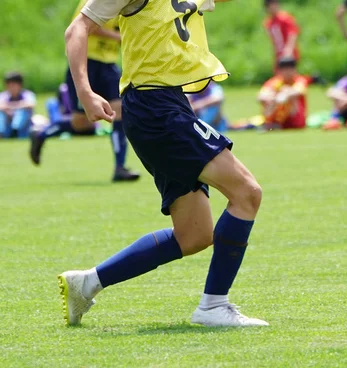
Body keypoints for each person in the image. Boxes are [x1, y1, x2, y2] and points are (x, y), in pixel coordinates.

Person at [58, 0, 268, 327]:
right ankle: (214, 306)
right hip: (153, 107)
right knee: (247, 193)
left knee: (194, 234)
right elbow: (77, 29)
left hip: (168, 105)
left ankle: (87, 283)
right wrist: (85, 93)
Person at [29, 0, 139, 182]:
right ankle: (41, 133)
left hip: (109, 64)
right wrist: (118, 37)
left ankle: (120, 167)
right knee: (83, 123)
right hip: (87, 62)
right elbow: (82, 26)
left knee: (118, 111)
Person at [258, 57, 309, 130]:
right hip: (277, 115)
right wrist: (273, 97)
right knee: (269, 99)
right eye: (285, 69)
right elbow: (261, 95)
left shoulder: (299, 80)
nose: (287, 72)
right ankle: (270, 122)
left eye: (290, 69)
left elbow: (297, 91)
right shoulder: (275, 82)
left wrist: (284, 94)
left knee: (291, 97)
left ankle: (291, 123)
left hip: (295, 118)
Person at [264, 0, 300, 70]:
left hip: (288, 52)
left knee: (288, 74)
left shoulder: (284, 18)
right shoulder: (269, 23)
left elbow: (292, 33)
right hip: (278, 54)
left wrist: (289, 48)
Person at [0, 72, 36, 139]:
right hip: (7, 123)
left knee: (22, 112)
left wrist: (10, 107)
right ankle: (1, 133)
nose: (10, 87)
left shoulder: (27, 94)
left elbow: (30, 104)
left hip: (24, 127)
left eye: (13, 84)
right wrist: (19, 105)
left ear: (20, 85)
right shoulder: (3, 95)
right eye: (8, 84)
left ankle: (15, 130)